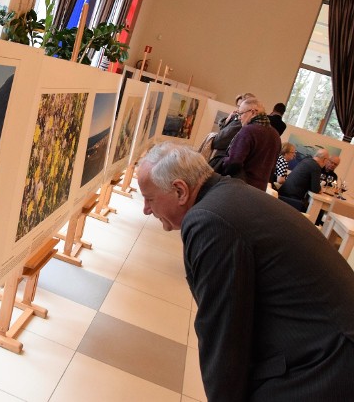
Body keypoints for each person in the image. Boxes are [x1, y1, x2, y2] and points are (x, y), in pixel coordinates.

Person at [136, 142, 354, 402]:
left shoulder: (208, 220)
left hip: (327, 364)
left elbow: (224, 336)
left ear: (180, 191)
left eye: (149, 198)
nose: (146, 209)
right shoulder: (228, 197)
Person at [222, 98, 281, 191]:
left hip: (238, 188)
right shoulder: (276, 136)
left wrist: (223, 162)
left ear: (252, 112)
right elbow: (272, 168)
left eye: (241, 113)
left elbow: (233, 162)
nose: (239, 117)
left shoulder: (248, 131)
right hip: (259, 191)